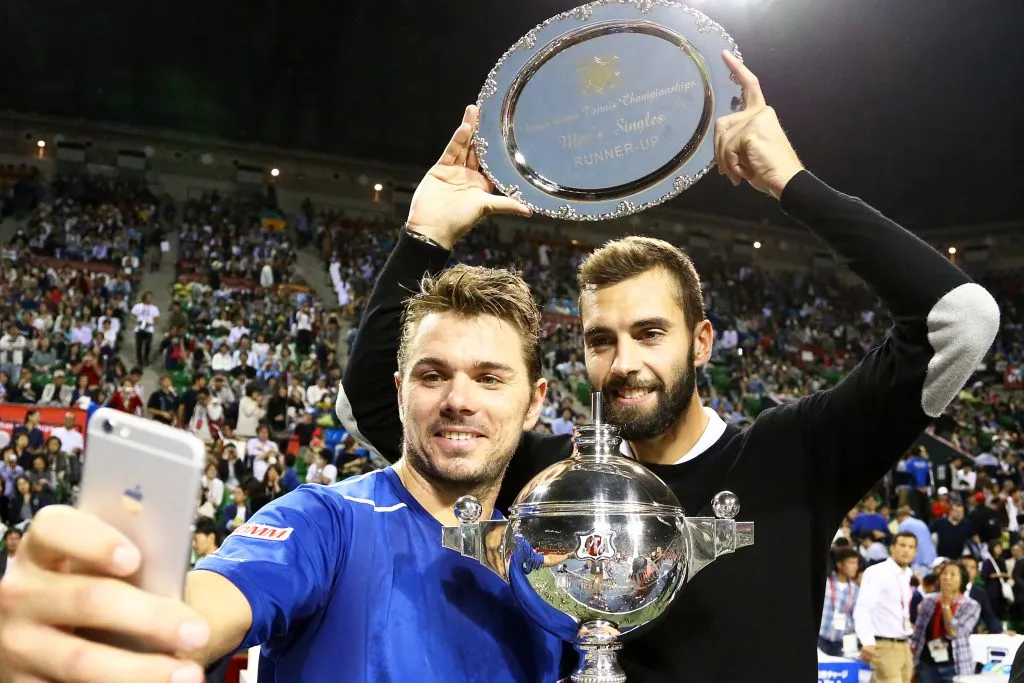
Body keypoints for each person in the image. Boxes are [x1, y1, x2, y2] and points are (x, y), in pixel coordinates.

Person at [337, 52, 1000, 683]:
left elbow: (961, 320)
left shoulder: (794, 453)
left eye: (650, 332)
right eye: (601, 339)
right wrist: (426, 235)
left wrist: (792, 184)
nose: (625, 362)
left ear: (702, 341)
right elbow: (368, 402)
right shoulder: (546, 475)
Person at [0, 265, 564, 682]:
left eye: (490, 378)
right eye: (433, 375)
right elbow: (202, 609)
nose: (458, 400)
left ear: (535, 402)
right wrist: (94, 632)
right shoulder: (325, 523)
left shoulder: (549, 573)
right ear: (399, 393)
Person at [853, 532, 918, 683]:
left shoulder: (909, 575)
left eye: (911, 547)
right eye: (902, 545)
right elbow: (863, 608)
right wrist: (867, 641)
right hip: (883, 645)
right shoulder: (877, 572)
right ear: (892, 548)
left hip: (905, 645)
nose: (906, 550)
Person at [910, 562, 981, 683]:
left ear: (962, 581)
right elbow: (918, 632)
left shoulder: (971, 605)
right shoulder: (928, 600)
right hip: (927, 663)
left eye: (953, 574)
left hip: (955, 665)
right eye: (944, 573)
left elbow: (954, 632)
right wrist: (912, 661)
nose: (947, 577)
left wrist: (946, 605)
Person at [819, 547, 860, 656]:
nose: (855, 567)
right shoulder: (826, 583)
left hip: (840, 641)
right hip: (821, 636)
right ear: (839, 565)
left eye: (856, 563)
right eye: (851, 563)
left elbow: (854, 616)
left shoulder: (855, 590)